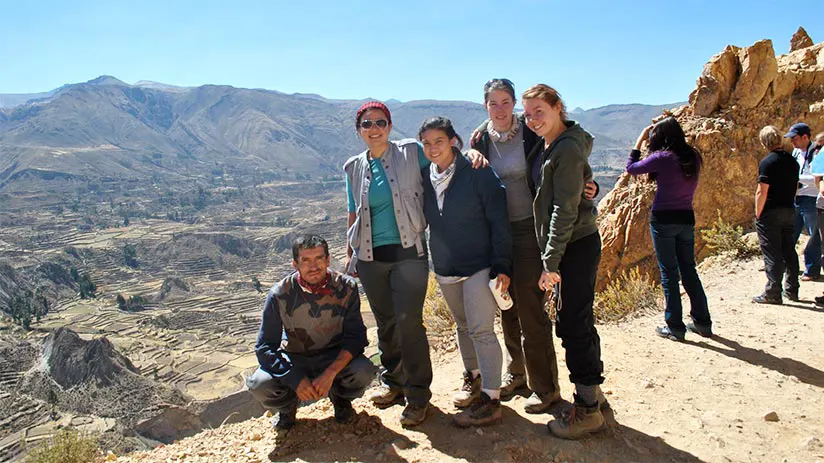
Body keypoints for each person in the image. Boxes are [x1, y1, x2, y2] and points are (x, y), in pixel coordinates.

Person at [342, 101, 487, 427]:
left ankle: (418, 395)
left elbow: (445, 158)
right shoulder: (353, 167)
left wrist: (472, 154)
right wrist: (349, 253)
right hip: (369, 258)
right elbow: (352, 213)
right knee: (386, 323)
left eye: (380, 122)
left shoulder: (411, 152)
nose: (374, 128)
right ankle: (394, 383)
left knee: (409, 324)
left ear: (390, 126)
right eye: (367, 124)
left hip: (409, 254)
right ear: (359, 130)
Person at [468, 78, 561, 413]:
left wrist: (587, 182)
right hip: (497, 233)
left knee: (531, 310)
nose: (500, 109)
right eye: (493, 103)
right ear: (485, 106)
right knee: (505, 304)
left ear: (514, 104)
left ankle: (545, 387)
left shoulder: (531, 131)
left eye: (506, 102)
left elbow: (563, 150)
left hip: (528, 231)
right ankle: (516, 374)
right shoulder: (480, 139)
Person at [522, 84, 607, 439]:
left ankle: (586, 410)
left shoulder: (567, 148)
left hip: (573, 244)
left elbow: (564, 210)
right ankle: (594, 397)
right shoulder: (553, 144)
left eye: (540, 110)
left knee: (573, 325)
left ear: (559, 107)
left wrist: (550, 263)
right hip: (572, 244)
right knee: (579, 320)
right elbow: (572, 189)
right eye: (527, 114)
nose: (533, 119)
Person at [419, 116, 511, 427]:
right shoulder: (424, 177)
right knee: (461, 325)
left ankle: (491, 397)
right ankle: (473, 378)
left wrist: (502, 265)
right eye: (427, 143)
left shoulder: (476, 172)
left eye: (439, 142)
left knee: (481, 329)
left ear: (454, 141)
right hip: (446, 265)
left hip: (479, 264)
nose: (433, 148)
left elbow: (499, 219)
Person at [246, 235, 375, 430]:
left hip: (333, 357)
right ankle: (287, 409)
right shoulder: (279, 294)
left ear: (328, 260)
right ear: (295, 264)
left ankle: (341, 400)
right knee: (260, 383)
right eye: (306, 260)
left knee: (363, 370)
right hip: (295, 358)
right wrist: (294, 379)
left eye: (319, 258)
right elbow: (265, 348)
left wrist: (330, 373)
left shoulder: (346, 287)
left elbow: (356, 337)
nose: (313, 266)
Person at [626, 117, 712, 340]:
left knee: (669, 274)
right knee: (689, 270)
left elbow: (631, 168)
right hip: (686, 218)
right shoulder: (691, 156)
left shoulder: (663, 158)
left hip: (663, 219)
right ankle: (703, 322)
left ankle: (675, 326)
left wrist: (640, 140)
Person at [752, 126, 800, 304]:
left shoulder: (767, 162)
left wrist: (758, 213)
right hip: (788, 209)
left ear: (764, 142)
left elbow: (761, 191)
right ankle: (792, 289)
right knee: (789, 250)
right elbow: (795, 186)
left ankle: (773, 292)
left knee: (772, 253)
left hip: (770, 211)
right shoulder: (793, 161)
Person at [786, 123, 820, 281]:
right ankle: (786, 264)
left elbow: (817, 178)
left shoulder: (817, 153)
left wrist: (796, 179)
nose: (793, 142)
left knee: (814, 236)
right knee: (790, 233)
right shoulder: (796, 152)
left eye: (795, 138)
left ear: (805, 137)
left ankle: (812, 270)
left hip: (811, 199)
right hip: (797, 198)